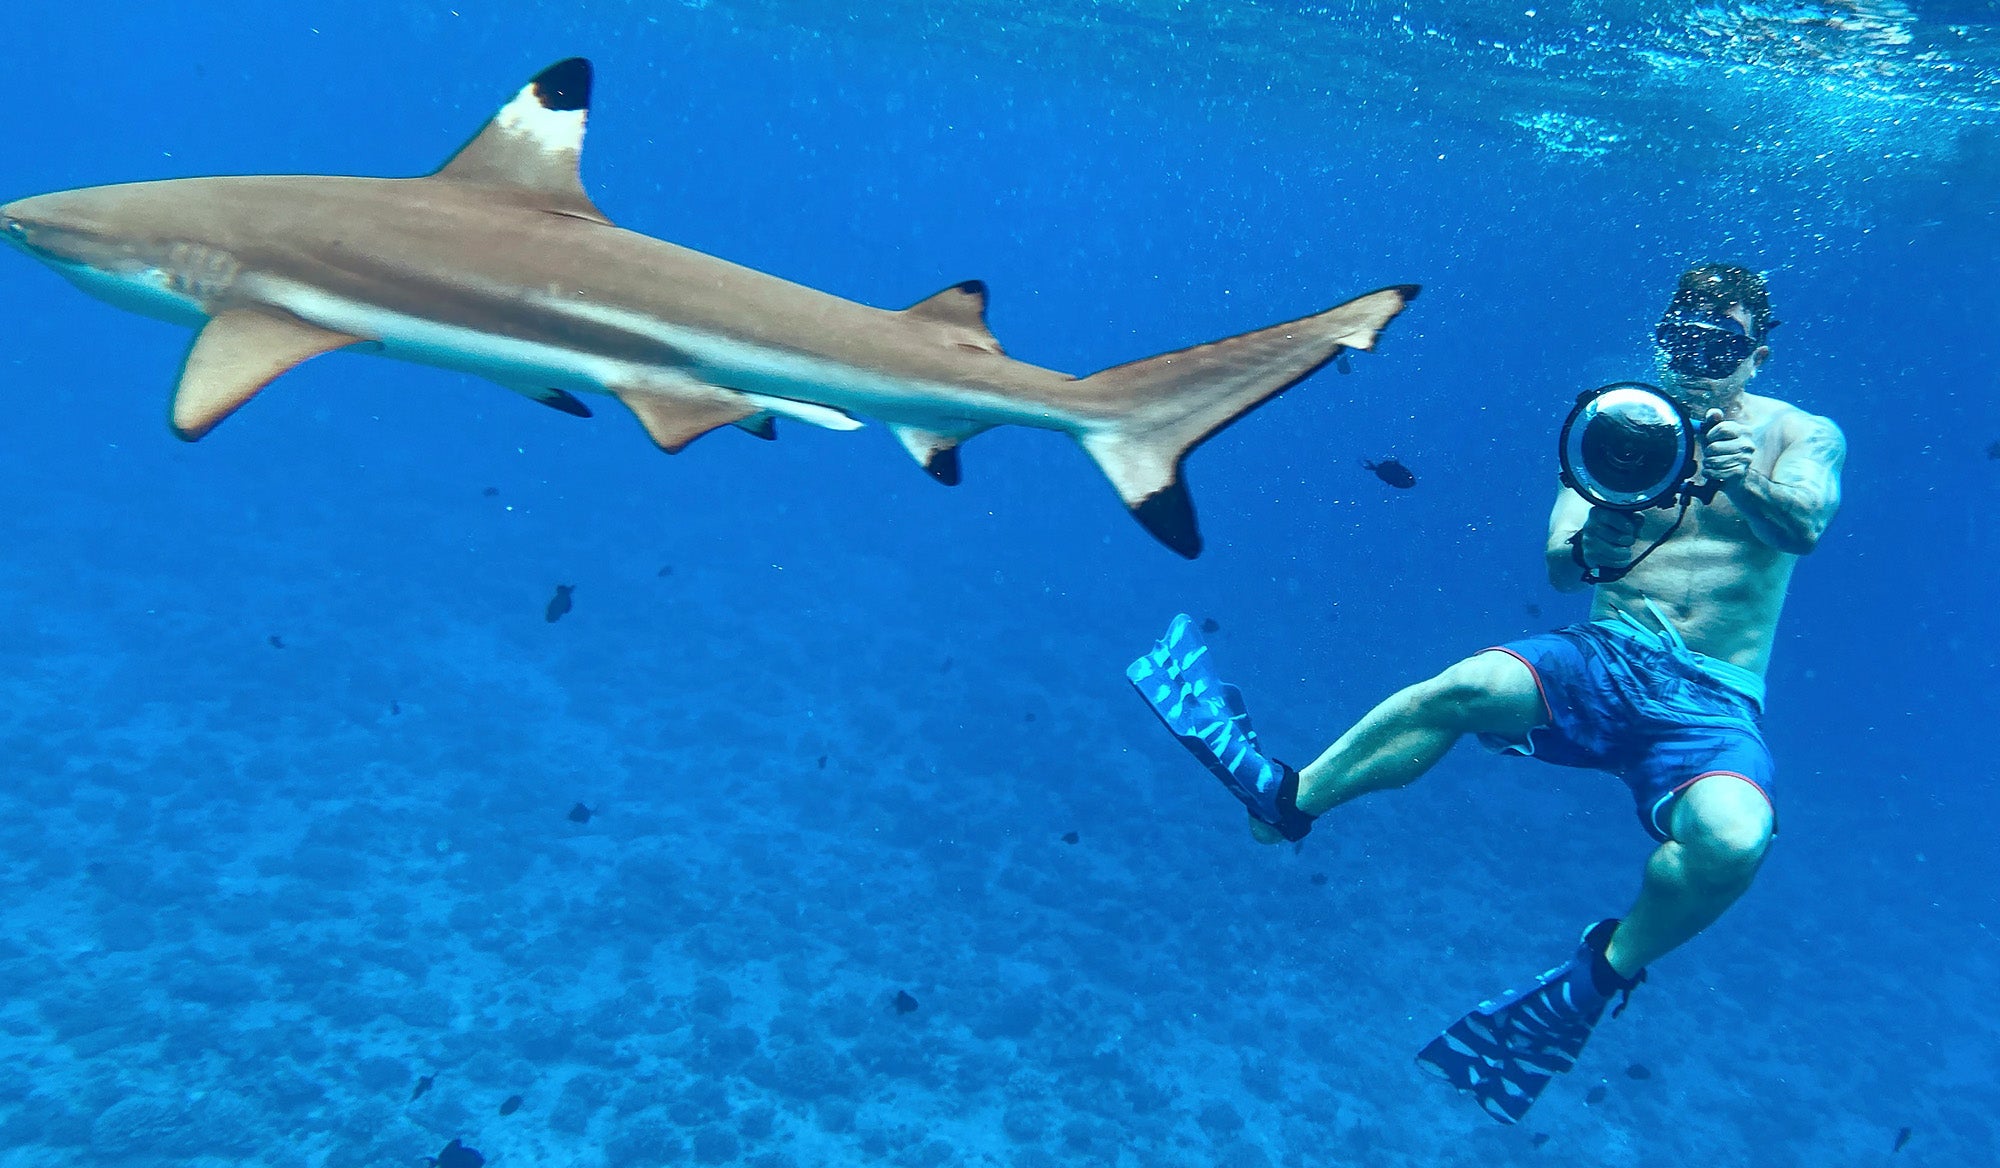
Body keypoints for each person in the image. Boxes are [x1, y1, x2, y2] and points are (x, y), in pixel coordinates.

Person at [1128, 263, 1846, 1124]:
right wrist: (1599, 546)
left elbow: (1802, 526)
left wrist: (1747, 478)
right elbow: (1558, 562)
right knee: (1464, 686)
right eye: (1683, 339)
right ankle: (1292, 800)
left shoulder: (1801, 435)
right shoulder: (1619, 420)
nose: (1696, 361)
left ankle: (1604, 968)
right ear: (1662, 337)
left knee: (1734, 840)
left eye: (1720, 347)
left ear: (1756, 358)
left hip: (1715, 697)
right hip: (1606, 652)